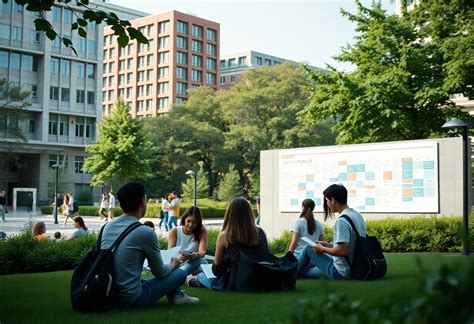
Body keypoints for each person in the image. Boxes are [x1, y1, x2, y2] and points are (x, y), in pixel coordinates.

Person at [100, 181, 199, 308]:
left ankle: (177, 295)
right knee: (179, 273)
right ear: (142, 202)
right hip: (131, 298)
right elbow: (160, 272)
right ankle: (177, 297)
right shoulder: (145, 232)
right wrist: (174, 263)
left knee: (148, 280)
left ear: (121, 204)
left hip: (107, 292)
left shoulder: (106, 227)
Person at [187, 197, 269, 291]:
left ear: (230, 213)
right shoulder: (261, 232)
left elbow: (217, 271)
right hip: (258, 281)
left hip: (234, 284)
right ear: (249, 213)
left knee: (202, 276)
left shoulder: (225, 236)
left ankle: (190, 280)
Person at [296, 184, 367, 280]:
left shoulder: (342, 221)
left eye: (327, 200)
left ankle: (286, 274)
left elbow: (342, 251)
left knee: (308, 249)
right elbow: (351, 246)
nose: (327, 204)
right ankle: (294, 272)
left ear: (332, 200)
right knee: (304, 270)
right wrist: (328, 245)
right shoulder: (357, 215)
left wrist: (323, 249)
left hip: (341, 272)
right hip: (356, 268)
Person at [288, 198, 324, 279]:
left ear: (302, 207)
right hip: (314, 259)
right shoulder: (319, 224)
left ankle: (297, 273)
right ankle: (317, 273)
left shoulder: (298, 222)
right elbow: (321, 243)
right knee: (316, 271)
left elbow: (293, 243)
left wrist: (287, 258)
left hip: (299, 258)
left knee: (292, 270)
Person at [168, 206, 208, 275]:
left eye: (194, 222)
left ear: (198, 223)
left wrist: (195, 255)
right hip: (179, 263)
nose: (190, 225)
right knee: (202, 272)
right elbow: (170, 252)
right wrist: (178, 255)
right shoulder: (175, 231)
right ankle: (184, 275)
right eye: (188, 221)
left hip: (195, 262)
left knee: (200, 261)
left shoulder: (202, 231)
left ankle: (181, 275)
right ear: (184, 219)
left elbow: (202, 252)